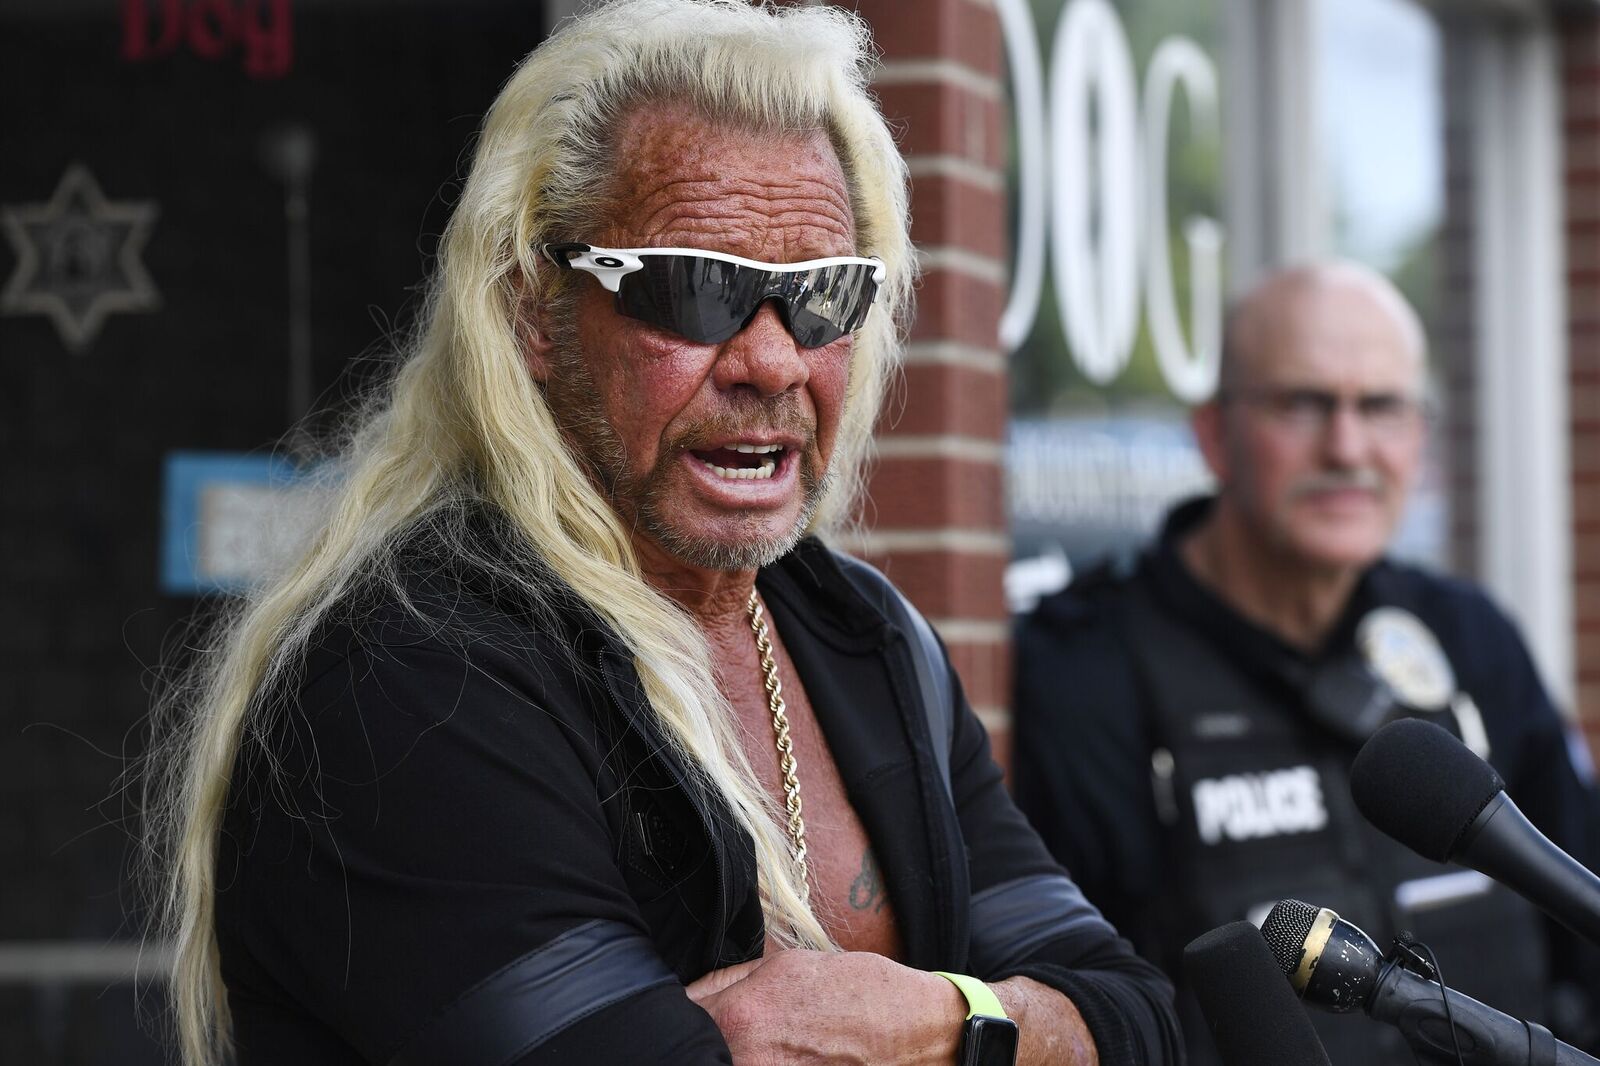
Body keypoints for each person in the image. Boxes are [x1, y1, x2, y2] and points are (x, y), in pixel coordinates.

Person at [144, 3, 1183, 1064]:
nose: (772, 363)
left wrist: (943, 1022)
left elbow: (1139, 1013)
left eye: (822, 296)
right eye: (696, 288)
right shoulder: (408, 676)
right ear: (531, 313)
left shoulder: (863, 636)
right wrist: (1014, 1022)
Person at [1013, 261, 1600, 1063]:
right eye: (1303, 404)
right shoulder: (1087, 669)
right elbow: (1075, 1001)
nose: (1348, 446)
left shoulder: (1472, 637)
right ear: (1214, 434)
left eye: (1382, 407)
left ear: (1421, 435)